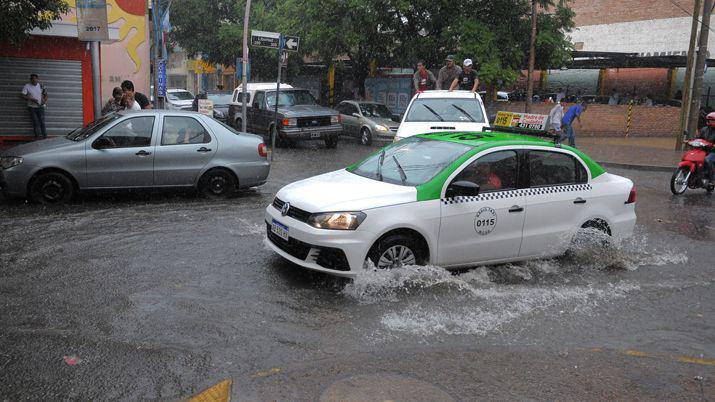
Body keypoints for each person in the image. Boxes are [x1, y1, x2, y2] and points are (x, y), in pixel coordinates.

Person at [21, 73, 48, 139]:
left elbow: (46, 95)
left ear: (37, 79)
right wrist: (31, 99)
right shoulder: (27, 86)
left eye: (35, 79)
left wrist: (44, 101)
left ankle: (45, 138)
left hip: (40, 107)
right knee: (35, 123)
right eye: (33, 79)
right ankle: (37, 138)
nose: (34, 80)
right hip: (32, 107)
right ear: (30, 80)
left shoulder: (41, 86)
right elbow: (22, 95)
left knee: (42, 123)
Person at [698, 112, 715, 186]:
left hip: (713, 151)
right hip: (704, 150)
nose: (710, 121)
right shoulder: (704, 129)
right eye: (709, 120)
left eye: (712, 120)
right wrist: (690, 141)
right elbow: (699, 138)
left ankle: (712, 180)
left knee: (707, 160)